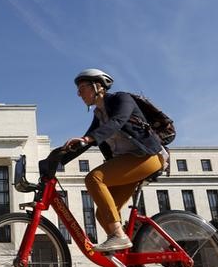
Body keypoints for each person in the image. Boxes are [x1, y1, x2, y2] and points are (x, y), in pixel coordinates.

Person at [63, 68, 167, 253]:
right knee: (102, 215)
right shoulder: (99, 115)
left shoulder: (122, 99)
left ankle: (118, 236)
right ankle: (130, 259)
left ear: (98, 86)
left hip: (149, 156)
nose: (79, 94)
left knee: (94, 178)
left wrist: (88, 139)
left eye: (82, 88)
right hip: (128, 163)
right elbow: (85, 143)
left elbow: (117, 122)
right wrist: (53, 162)